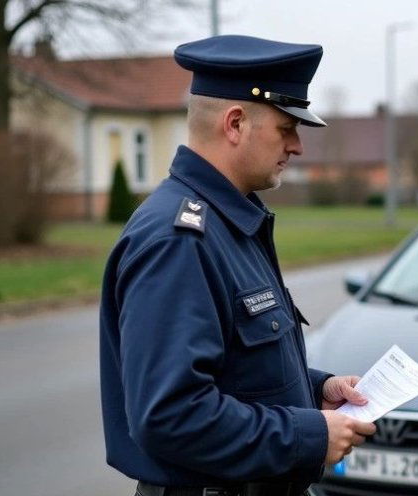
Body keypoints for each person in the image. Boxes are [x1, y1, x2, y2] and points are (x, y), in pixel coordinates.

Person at [99, 35, 375, 496]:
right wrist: (307, 436)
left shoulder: (230, 223)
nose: (297, 146)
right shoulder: (178, 239)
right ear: (235, 124)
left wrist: (316, 392)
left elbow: (239, 369)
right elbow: (171, 416)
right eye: (287, 127)